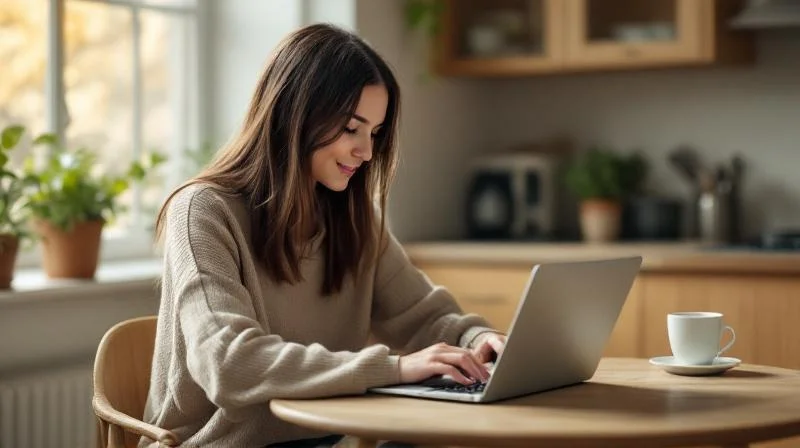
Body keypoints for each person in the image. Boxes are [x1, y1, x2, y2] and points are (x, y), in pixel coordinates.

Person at [140, 23, 506, 448]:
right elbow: (227, 362)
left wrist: (478, 340)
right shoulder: (203, 211)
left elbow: (424, 315)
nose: (366, 152)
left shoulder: (355, 219)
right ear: (294, 114)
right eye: (352, 128)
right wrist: (395, 368)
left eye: (375, 133)